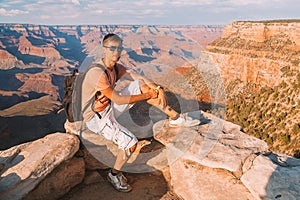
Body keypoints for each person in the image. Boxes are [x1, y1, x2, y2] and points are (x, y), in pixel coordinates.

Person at [81, 33, 200, 192]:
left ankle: (175, 117)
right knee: (131, 143)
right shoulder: (97, 72)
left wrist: (157, 88)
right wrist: (147, 95)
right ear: (104, 49)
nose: (117, 52)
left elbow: (137, 77)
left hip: (109, 108)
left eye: (120, 48)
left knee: (140, 84)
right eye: (112, 48)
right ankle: (114, 174)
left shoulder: (116, 67)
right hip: (96, 118)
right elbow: (118, 99)